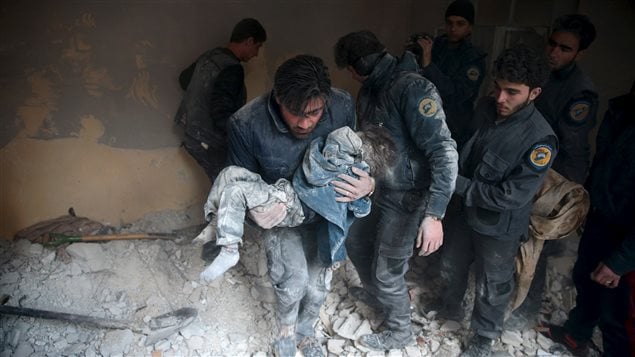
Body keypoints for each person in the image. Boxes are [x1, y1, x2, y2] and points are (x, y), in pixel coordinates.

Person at [226, 54, 374, 357]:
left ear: (326, 102)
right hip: (283, 219)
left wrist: (369, 184)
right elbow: (241, 189)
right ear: (278, 96)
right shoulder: (246, 124)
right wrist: (258, 216)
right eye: (295, 113)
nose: (305, 122)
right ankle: (285, 333)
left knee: (318, 285)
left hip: (326, 214)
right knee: (293, 281)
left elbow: (355, 156)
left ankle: (306, 334)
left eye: (315, 113)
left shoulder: (343, 105)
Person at [334, 30, 459, 351]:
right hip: (379, 189)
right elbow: (378, 146)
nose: (349, 74)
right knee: (356, 241)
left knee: (388, 270)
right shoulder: (370, 90)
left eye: (349, 68)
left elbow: (443, 152)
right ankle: (382, 299)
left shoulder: (414, 88)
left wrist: (435, 213)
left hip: (409, 197)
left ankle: (399, 330)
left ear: (356, 67)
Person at [435, 45, 557, 357]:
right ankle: (449, 307)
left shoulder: (540, 139)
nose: (500, 99)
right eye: (498, 88)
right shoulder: (487, 107)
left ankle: (483, 338)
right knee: (451, 262)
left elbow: (509, 196)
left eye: (512, 92)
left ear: (534, 93)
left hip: (499, 225)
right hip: (464, 211)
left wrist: (456, 184)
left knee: (493, 283)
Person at [196, 125, 395, 283]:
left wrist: (369, 184)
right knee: (229, 173)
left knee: (236, 191)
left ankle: (229, 251)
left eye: (357, 139)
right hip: (282, 192)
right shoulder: (346, 166)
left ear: (360, 155)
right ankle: (217, 223)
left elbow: (336, 143)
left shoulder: (344, 171)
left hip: (291, 206)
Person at [508, 13, 598, 330]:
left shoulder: (579, 92)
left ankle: (524, 313)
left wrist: (555, 198)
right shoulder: (542, 73)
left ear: (579, 53)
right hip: (529, 169)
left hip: (553, 177)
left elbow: (569, 147)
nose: (554, 52)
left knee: (537, 248)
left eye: (565, 49)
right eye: (552, 44)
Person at [538, 81, 635, 357]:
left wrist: (620, 263)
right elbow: (604, 162)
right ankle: (575, 334)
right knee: (586, 279)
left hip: (628, 237)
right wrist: (587, 205)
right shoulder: (621, 109)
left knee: (620, 312)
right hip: (603, 215)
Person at [174, 18, 266, 182]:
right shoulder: (232, 68)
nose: (256, 54)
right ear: (249, 41)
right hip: (208, 139)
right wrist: (242, 140)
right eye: (257, 46)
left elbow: (184, 79)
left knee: (222, 185)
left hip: (191, 133)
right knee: (228, 187)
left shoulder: (211, 56)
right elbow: (222, 114)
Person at [409, 0, 486, 150]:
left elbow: (455, 94)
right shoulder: (437, 45)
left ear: (470, 27)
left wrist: (428, 63)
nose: (453, 28)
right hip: (423, 116)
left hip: (452, 126)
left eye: (460, 24)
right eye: (449, 23)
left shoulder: (473, 59)